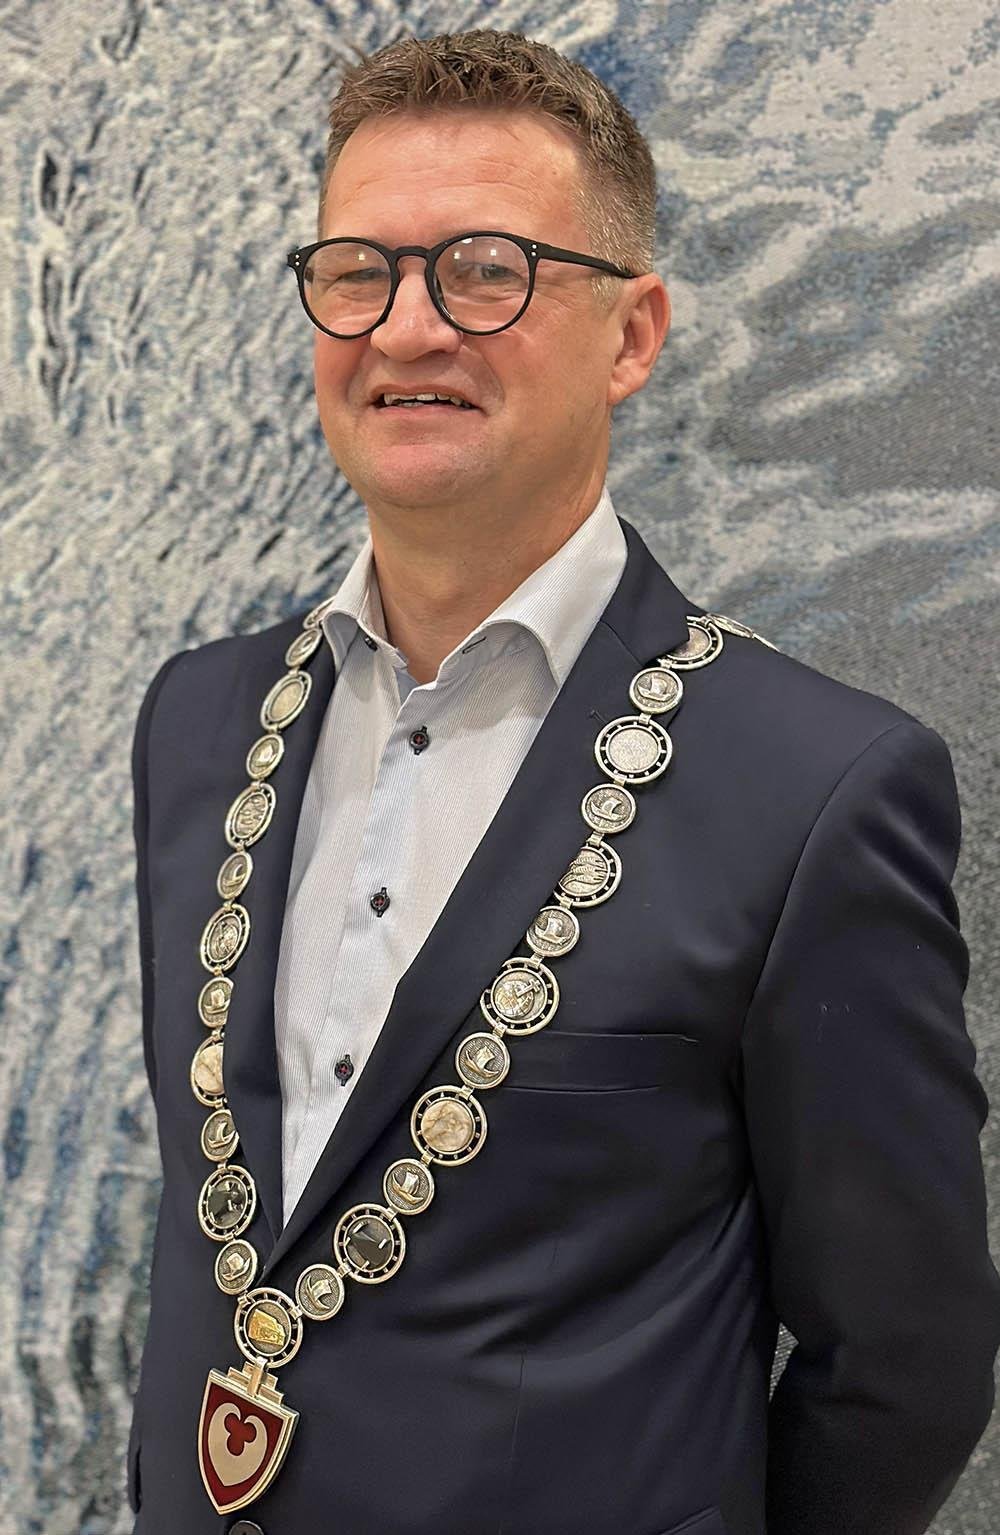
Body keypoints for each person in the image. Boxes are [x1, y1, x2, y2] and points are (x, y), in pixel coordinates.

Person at [125, 27, 1000, 1535]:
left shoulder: (817, 794)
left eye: (488, 271)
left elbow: (903, 1363)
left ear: (632, 334)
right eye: (358, 272)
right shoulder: (196, 723)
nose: (407, 329)